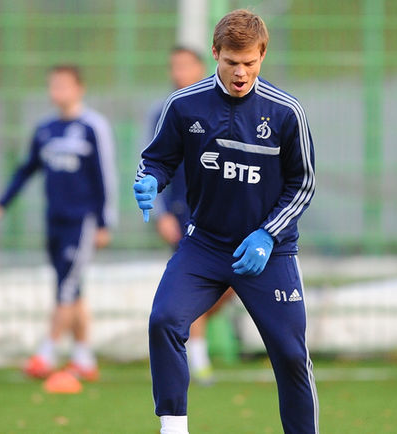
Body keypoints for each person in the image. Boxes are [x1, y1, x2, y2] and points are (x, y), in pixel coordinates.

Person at [133, 10, 317, 434]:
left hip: (267, 252)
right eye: (231, 61)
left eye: (249, 63)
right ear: (215, 53)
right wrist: (148, 182)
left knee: (291, 355)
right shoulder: (183, 105)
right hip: (205, 244)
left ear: (262, 56)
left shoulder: (287, 112)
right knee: (164, 320)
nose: (240, 72)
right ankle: (174, 427)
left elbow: (303, 184)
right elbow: (157, 159)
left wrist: (268, 234)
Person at [0, 65, 118, 381]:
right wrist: (0, 205)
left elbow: (105, 176)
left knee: (67, 288)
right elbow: (26, 169)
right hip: (53, 219)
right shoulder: (45, 129)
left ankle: (46, 352)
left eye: (64, 86)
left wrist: (104, 222)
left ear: (79, 88)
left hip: (81, 222)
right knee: (72, 288)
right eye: (53, 86)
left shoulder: (92, 126)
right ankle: (84, 357)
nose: (57, 92)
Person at [147, 46, 235, 385]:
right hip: (183, 214)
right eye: (174, 66)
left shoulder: (221, 106)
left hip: (222, 213)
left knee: (230, 287)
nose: (179, 72)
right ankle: (197, 359)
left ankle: (188, 337)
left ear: (202, 66)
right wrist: (160, 214)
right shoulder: (164, 110)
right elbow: (149, 161)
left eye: (186, 65)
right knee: (195, 282)